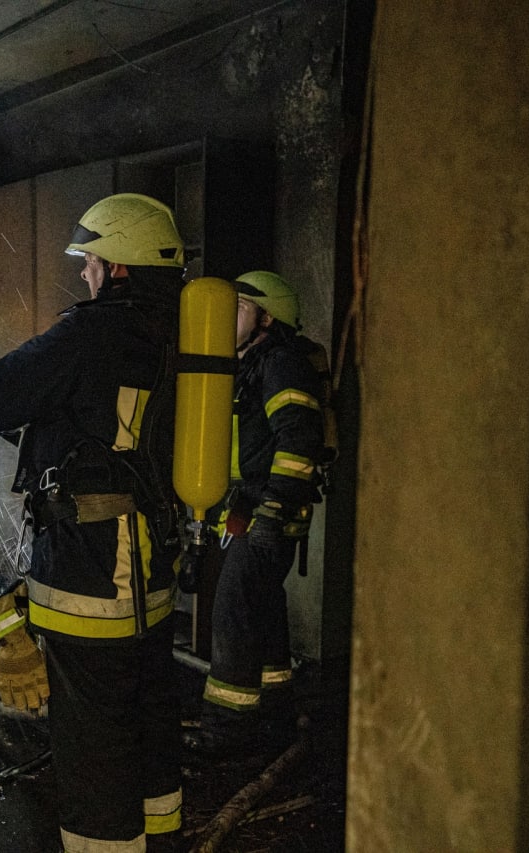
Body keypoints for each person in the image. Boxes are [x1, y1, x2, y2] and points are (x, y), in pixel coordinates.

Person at [0, 193, 186, 853]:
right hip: (151, 571)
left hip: (92, 573)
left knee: (94, 740)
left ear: (119, 267)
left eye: (92, 261)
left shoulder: (89, 333)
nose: (85, 272)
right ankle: (163, 839)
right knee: (149, 719)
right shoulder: (178, 334)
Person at [186, 270, 325, 756]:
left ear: (268, 319)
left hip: (268, 514)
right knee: (263, 609)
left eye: (240, 308)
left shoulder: (281, 364)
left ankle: (226, 734)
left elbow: (298, 442)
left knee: (234, 614)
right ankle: (276, 712)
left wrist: (270, 514)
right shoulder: (249, 366)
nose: (228, 317)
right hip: (250, 511)